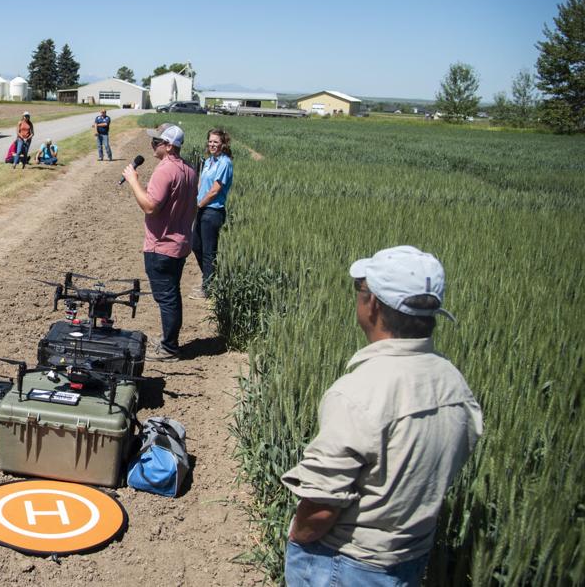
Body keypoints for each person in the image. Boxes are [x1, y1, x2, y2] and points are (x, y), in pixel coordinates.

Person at [281, 246, 482, 587]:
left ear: (372, 303)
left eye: (359, 291)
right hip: (410, 562)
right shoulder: (455, 385)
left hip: (342, 565)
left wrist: (297, 537)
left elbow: (321, 506)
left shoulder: (358, 392)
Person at [122, 123, 198, 361]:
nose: (153, 145)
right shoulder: (189, 170)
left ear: (168, 146)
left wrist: (133, 181)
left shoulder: (165, 171)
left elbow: (150, 206)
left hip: (161, 245)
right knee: (171, 294)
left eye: (157, 142)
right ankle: (169, 340)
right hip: (180, 243)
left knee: (166, 297)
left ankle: (169, 348)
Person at [191, 128, 234, 300]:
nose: (212, 144)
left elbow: (215, 190)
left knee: (209, 251)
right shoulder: (209, 161)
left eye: (216, 142)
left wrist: (199, 205)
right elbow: (201, 184)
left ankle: (208, 288)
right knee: (196, 246)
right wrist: (193, 199)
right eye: (210, 141)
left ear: (223, 144)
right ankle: (210, 281)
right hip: (201, 208)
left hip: (213, 211)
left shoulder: (225, 163)